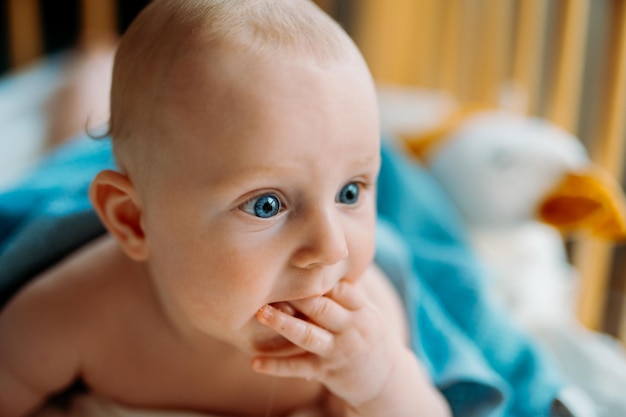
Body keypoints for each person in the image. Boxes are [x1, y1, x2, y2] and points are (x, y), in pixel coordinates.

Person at [0, 0, 451, 416]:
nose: (330, 249)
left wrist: (381, 384)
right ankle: (91, 70)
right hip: (95, 179)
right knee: (75, 145)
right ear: (133, 221)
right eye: (267, 204)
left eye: (350, 192)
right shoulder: (78, 312)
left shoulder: (359, 333)